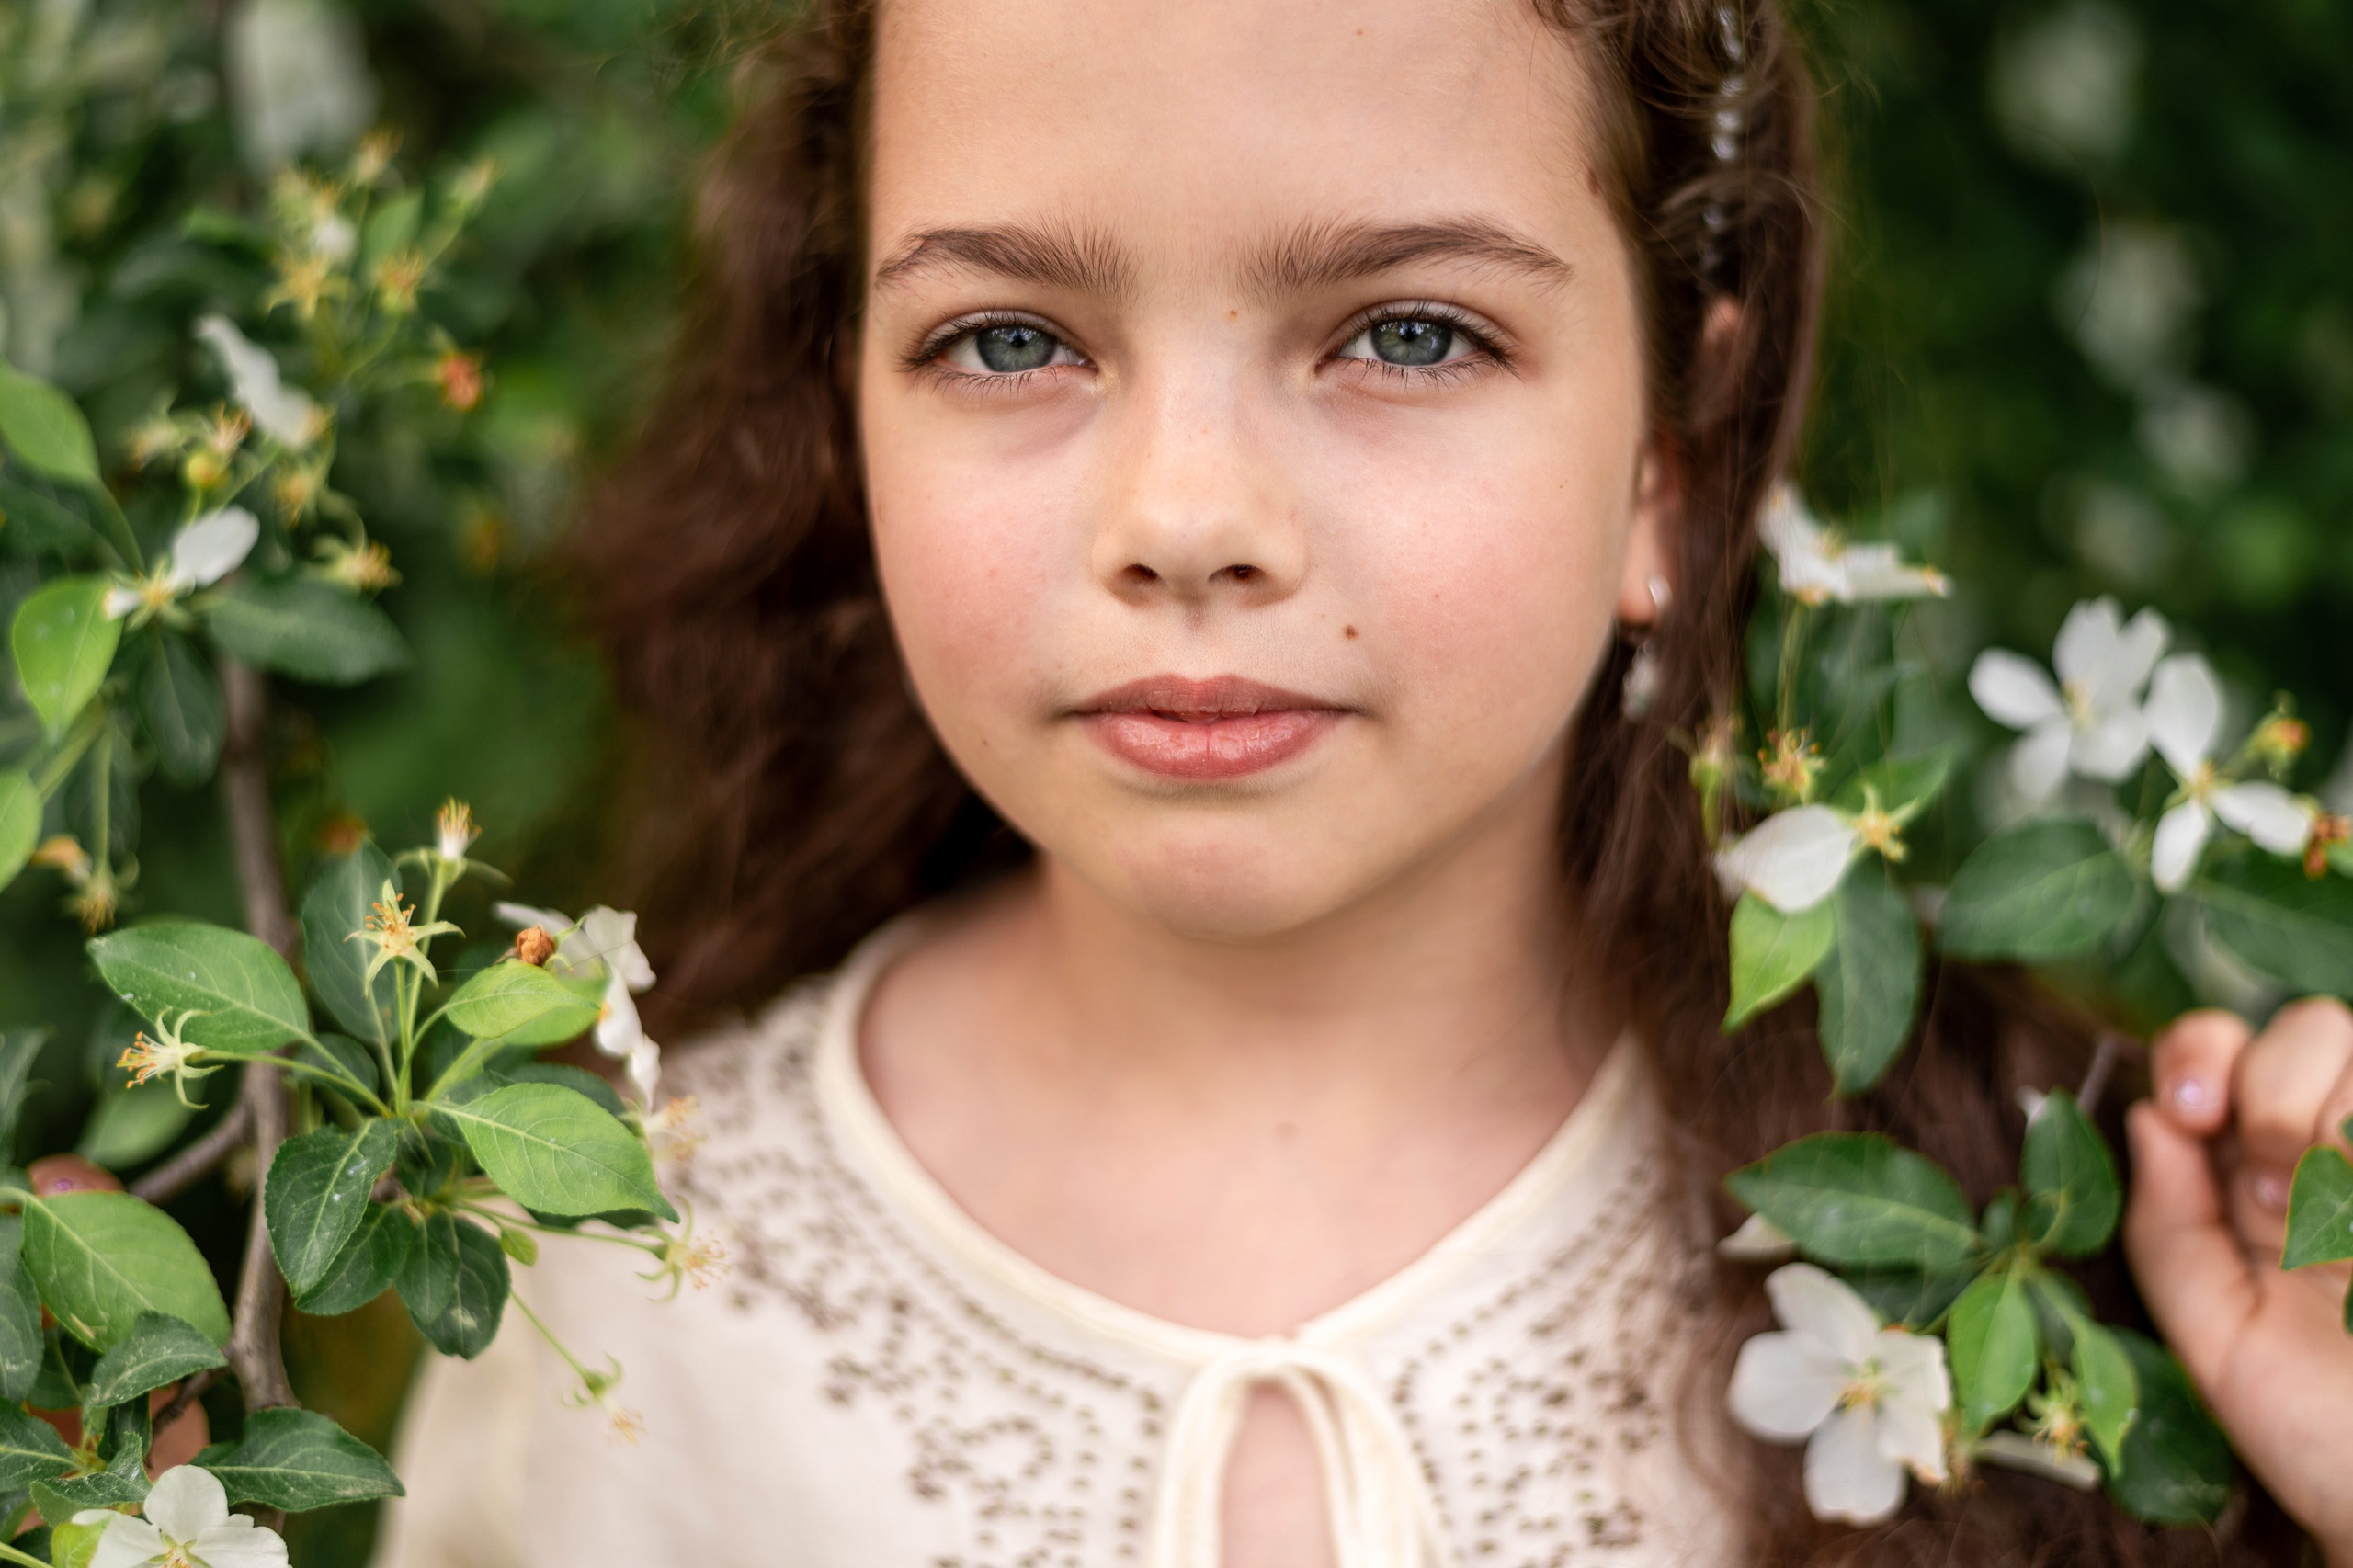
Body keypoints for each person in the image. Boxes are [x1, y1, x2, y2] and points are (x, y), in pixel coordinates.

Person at [377, 0, 2353, 1563]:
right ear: (850, 411)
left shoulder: (2056, 1260)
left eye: (1406, 332)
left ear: (1675, 445)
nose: (1186, 521)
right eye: (1004, 340)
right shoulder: (608, 1299)